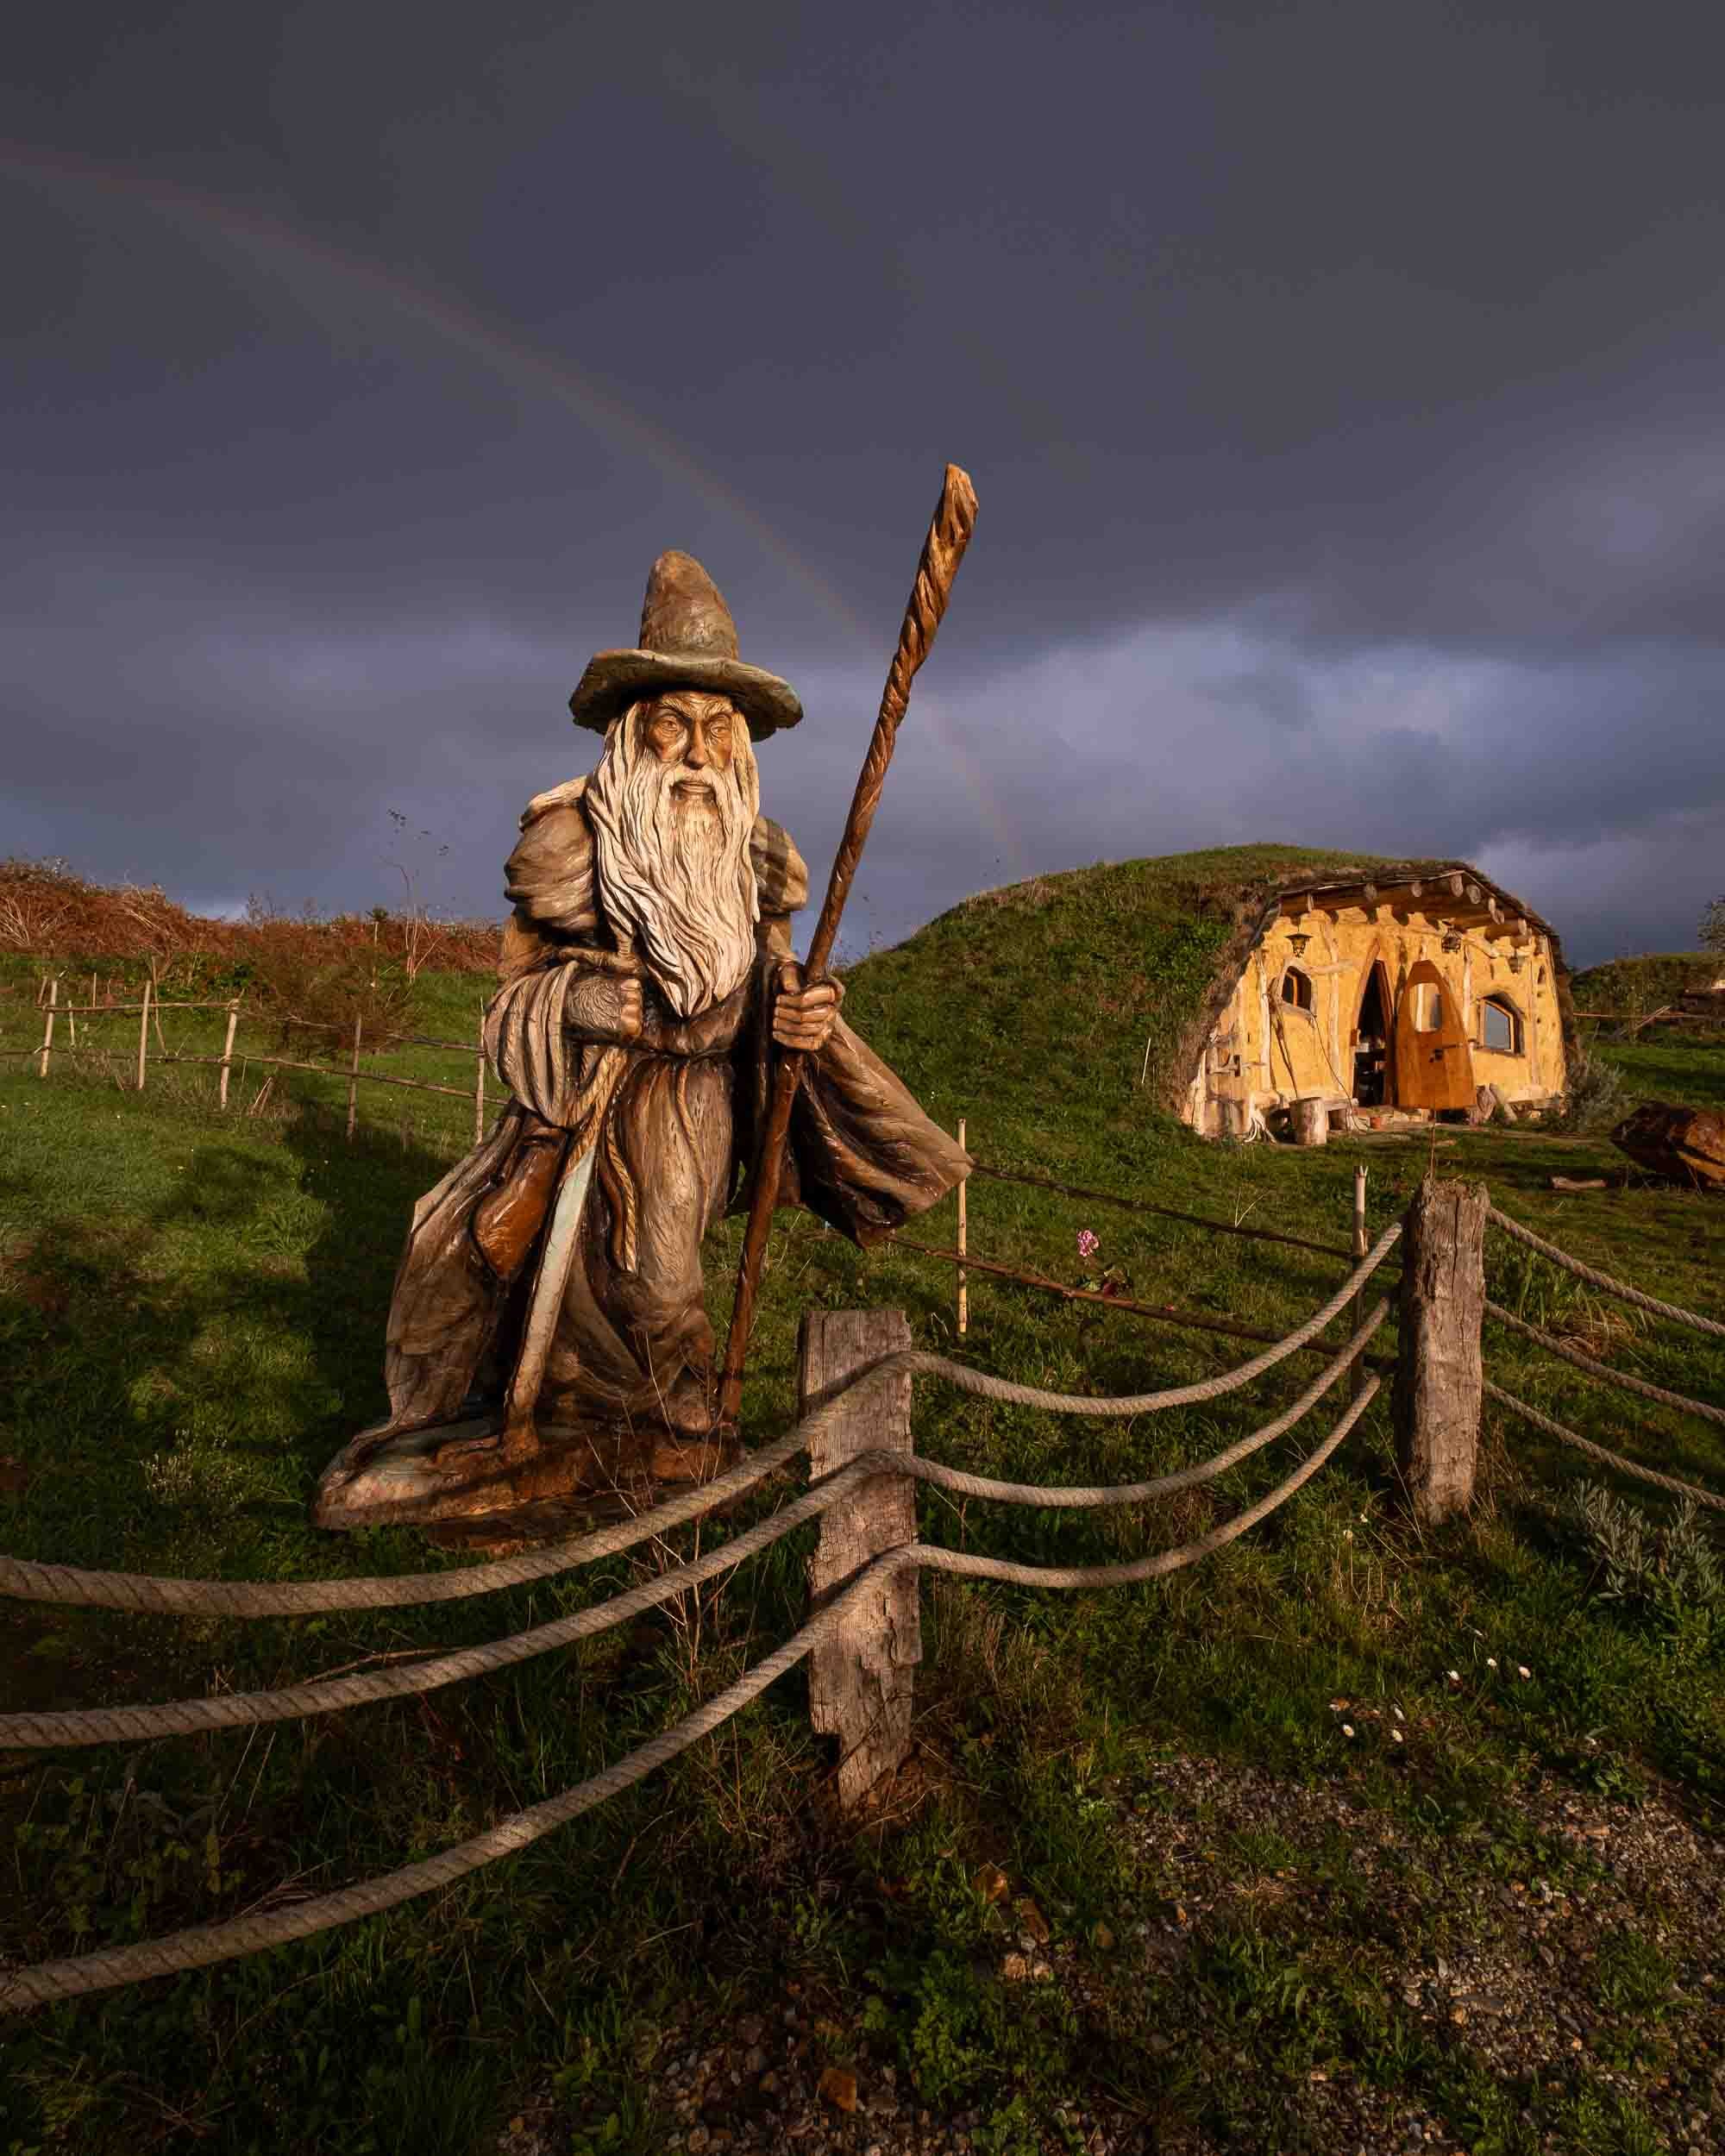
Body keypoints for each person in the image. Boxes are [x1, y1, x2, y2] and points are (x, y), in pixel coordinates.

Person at [318, 550, 968, 1514]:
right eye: (675, 723)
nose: (699, 753)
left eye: (719, 728)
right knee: (542, 1266)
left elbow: (769, 974)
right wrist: (574, 1005)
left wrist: (794, 1013)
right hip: (581, 1097)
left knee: (657, 1275)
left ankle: (685, 1433)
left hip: (691, 1094)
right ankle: (579, 1425)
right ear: (634, 730)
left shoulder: (756, 854)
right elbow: (512, 995)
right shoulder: (571, 841)